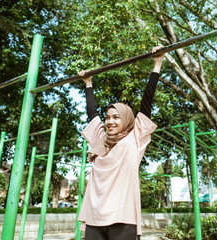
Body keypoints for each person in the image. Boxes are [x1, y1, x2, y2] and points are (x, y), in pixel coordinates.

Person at [78, 46, 165, 240]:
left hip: (122, 218)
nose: (110, 121)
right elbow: (92, 114)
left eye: (116, 117)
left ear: (126, 119)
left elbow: (147, 103)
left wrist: (157, 64)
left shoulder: (134, 137)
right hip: (95, 217)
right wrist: (88, 83)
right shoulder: (100, 139)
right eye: (108, 117)